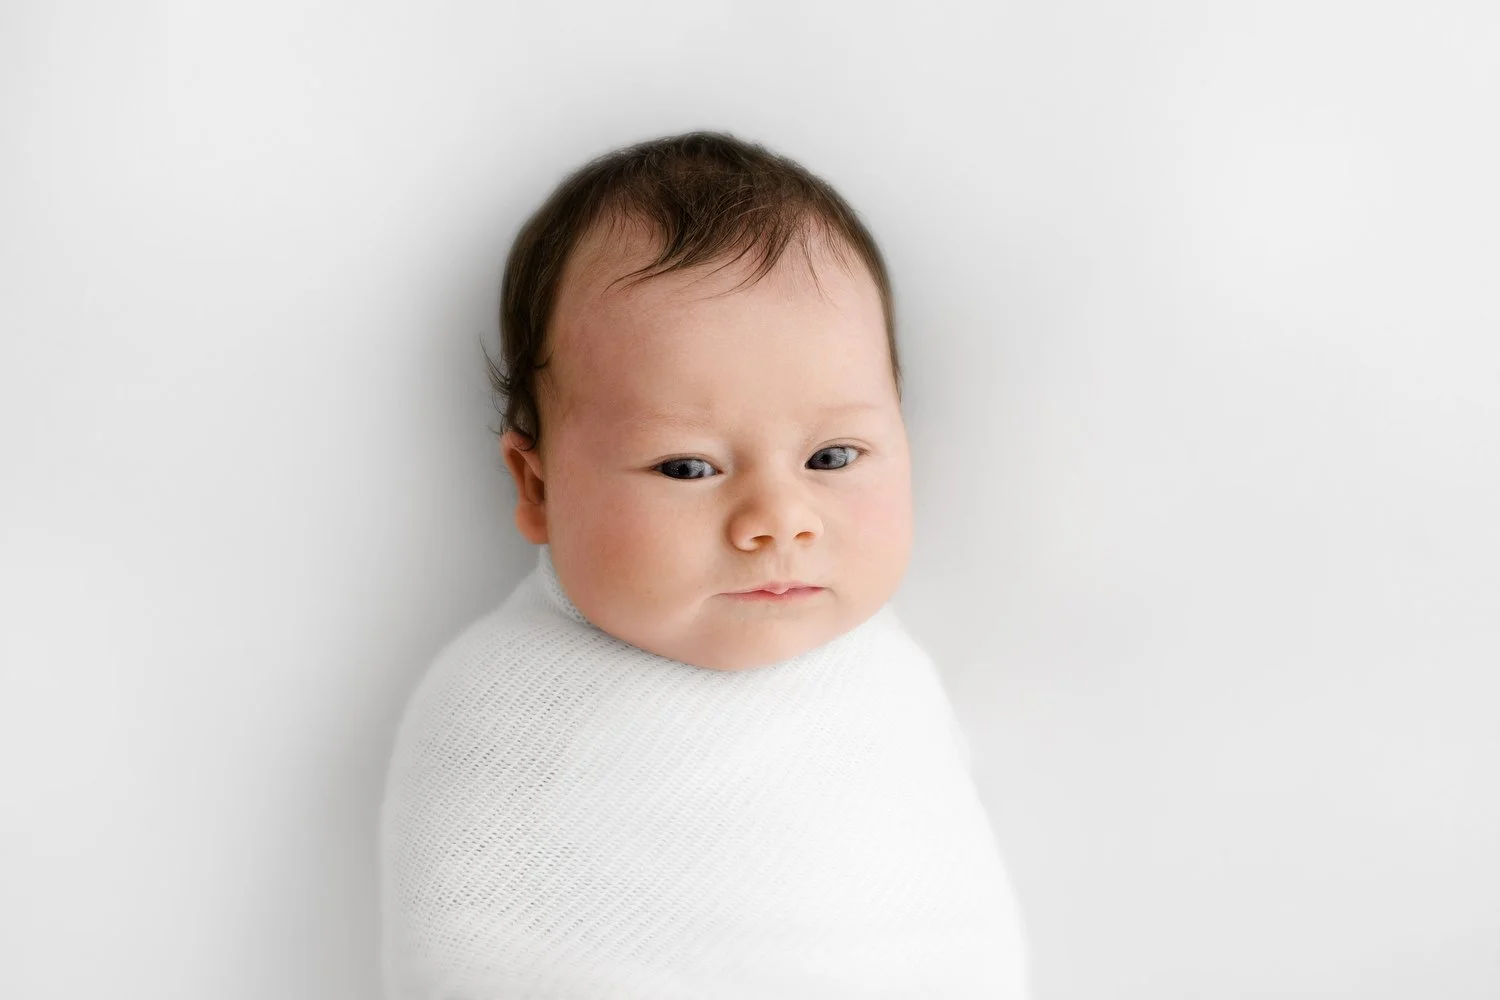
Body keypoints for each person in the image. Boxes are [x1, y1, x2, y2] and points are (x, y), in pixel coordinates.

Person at [379, 131, 1030, 998]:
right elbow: (466, 947)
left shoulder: (894, 682)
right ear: (537, 486)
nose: (777, 522)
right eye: (689, 468)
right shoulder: (505, 707)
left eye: (833, 458)